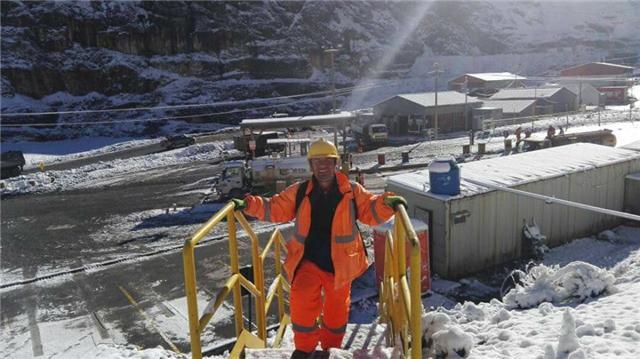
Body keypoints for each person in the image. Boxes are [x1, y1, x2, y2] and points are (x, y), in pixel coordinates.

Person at [231, 138, 406, 358]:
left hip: (340, 265)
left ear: (336, 164)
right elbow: (274, 207)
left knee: (336, 313)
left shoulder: (352, 191)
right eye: (317, 162)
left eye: (327, 161)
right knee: (301, 299)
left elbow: (370, 209)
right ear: (311, 166)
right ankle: (304, 350)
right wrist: (248, 205)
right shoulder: (301, 191)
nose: (322, 166)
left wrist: (386, 203)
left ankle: (330, 351)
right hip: (309, 261)